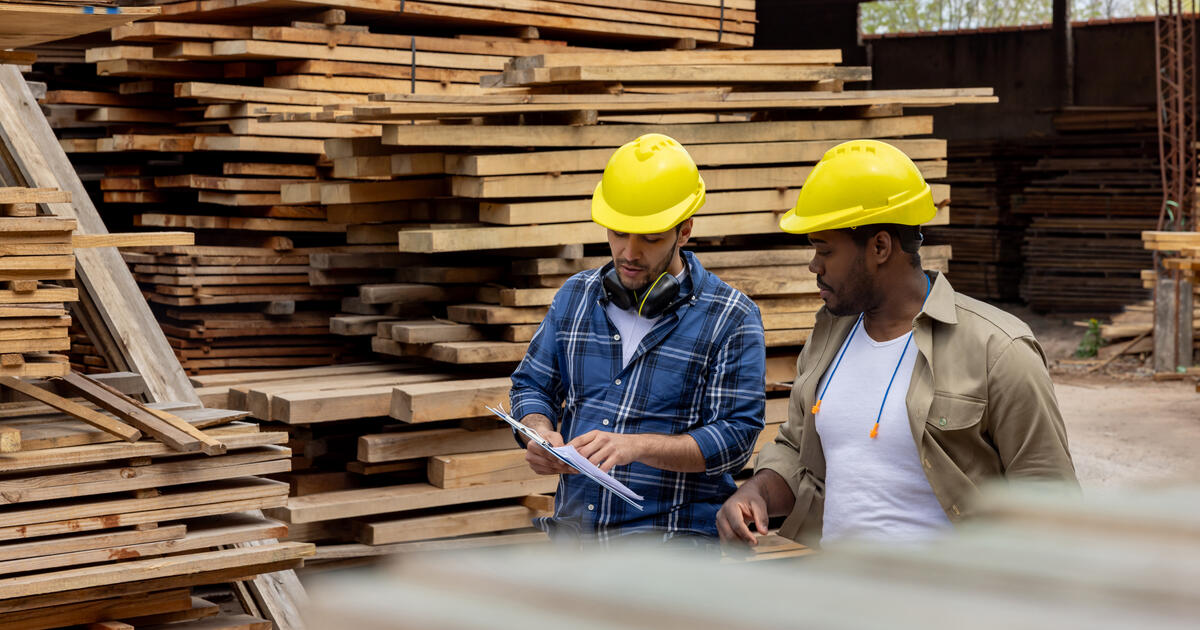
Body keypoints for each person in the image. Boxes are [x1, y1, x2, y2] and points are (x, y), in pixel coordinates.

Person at [716, 139, 1077, 547]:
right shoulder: (829, 335)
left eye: (825, 250)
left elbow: (1052, 505)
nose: (814, 265)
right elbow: (798, 451)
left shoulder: (999, 350)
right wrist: (756, 492)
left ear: (880, 247)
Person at [509, 133, 766, 545]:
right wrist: (537, 432)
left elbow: (734, 440)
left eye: (650, 238)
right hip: (575, 543)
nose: (629, 253)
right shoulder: (576, 296)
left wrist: (637, 446)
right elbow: (532, 384)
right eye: (618, 233)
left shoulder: (731, 318)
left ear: (685, 231)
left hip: (670, 549)